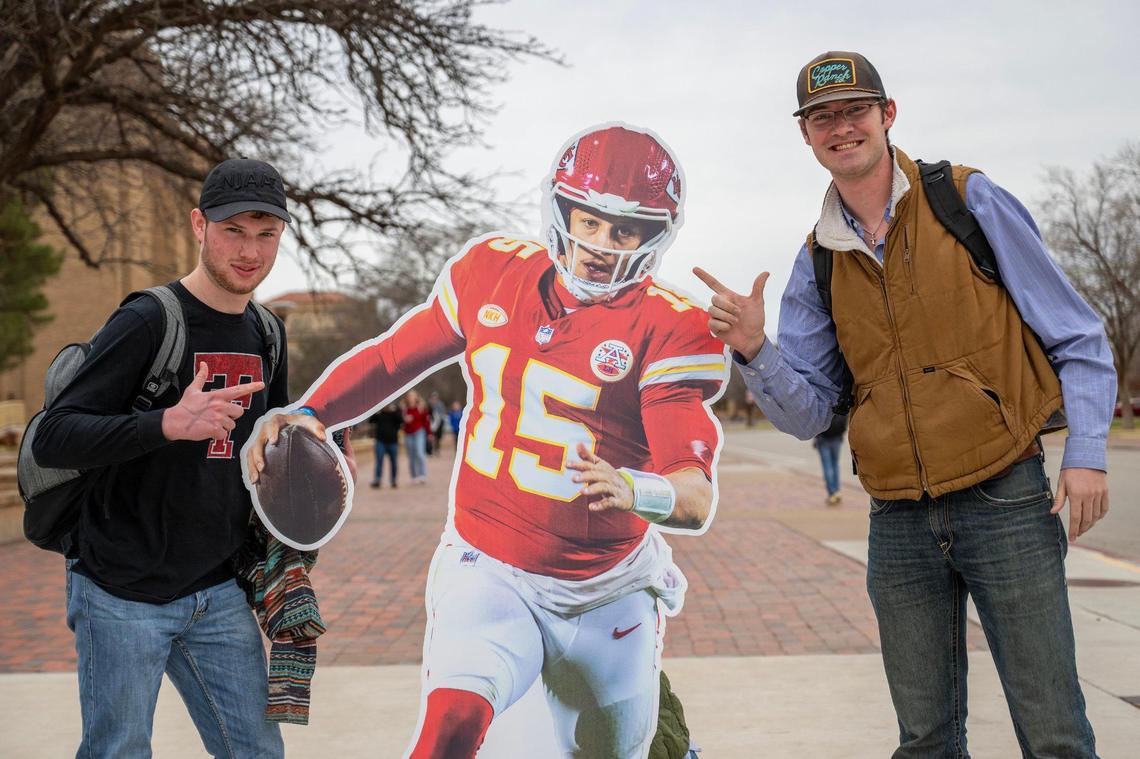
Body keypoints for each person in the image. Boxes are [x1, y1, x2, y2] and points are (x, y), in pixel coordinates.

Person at [247, 123, 726, 759]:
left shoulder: (672, 326)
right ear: (561, 212)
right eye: (588, 221)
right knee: (446, 734)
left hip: (607, 587)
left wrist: (635, 487)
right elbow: (393, 360)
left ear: (652, 236)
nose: (600, 245)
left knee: (614, 751)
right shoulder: (492, 272)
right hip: (488, 563)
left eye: (624, 230)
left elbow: (694, 496)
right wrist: (311, 411)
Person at [695, 51, 1115, 758]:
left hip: (1005, 498)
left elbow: (1077, 332)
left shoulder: (967, 199)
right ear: (806, 136)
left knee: (1055, 733)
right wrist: (755, 348)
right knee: (924, 739)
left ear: (888, 116)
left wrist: (1088, 453)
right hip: (897, 523)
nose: (841, 127)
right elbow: (811, 412)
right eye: (822, 117)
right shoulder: (817, 261)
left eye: (855, 110)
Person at [33, 158, 294, 757]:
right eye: (234, 231)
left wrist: (314, 459)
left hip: (219, 590)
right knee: (118, 750)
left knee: (256, 751)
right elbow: (56, 435)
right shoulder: (149, 319)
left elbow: (265, 449)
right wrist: (166, 423)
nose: (250, 251)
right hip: (120, 589)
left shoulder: (268, 333)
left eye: (266, 234)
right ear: (199, 226)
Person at [814, 414, 847, 505]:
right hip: (836, 437)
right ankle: (837, 490)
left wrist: (816, 438)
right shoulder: (838, 400)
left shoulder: (823, 400)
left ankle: (832, 493)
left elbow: (815, 421)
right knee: (835, 464)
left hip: (823, 438)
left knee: (827, 466)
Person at [370, 402, 404, 488]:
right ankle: (377, 480)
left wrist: (395, 411)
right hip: (380, 441)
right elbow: (371, 421)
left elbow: (401, 421)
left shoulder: (396, 410)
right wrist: (377, 411)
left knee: (394, 462)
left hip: (393, 441)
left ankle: (393, 480)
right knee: (379, 461)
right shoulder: (379, 411)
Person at [403, 390, 431, 483]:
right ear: (407, 398)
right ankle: (414, 476)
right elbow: (400, 420)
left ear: (416, 397)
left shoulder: (421, 407)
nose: (411, 397)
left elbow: (426, 422)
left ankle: (422, 475)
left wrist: (429, 433)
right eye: (409, 396)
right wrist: (405, 420)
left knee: (419, 453)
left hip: (419, 431)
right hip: (408, 433)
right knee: (411, 455)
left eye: (413, 396)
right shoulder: (404, 409)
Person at [428, 391, 447, 456]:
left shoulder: (440, 404)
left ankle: (437, 449)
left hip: (439, 423)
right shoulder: (429, 404)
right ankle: (431, 450)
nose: (434, 398)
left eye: (435, 397)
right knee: (431, 437)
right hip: (431, 423)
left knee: (438, 438)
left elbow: (443, 413)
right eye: (433, 397)